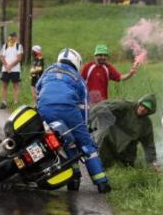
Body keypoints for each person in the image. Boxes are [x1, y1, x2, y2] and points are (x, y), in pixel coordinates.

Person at [36, 48, 111, 193]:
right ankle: (101, 183)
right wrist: (83, 126)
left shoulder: (47, 71)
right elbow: (84, 106)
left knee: (66, 144)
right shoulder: (77, 78)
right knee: (85, 145)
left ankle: (74, 178)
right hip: (68, 110)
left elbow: (38, 90)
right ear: (76, 62)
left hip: (44, 109)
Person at [89, 94, 158, 169]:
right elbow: (100, 108)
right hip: (109, 137)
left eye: (146, 109)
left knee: (128, 168)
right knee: (101, 162)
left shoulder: (146, 124)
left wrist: (152, 162)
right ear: (139, 103)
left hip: (126, 147)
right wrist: (90, 123)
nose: (142, 109)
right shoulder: (123, 106)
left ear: (149, 112)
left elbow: (149, 145)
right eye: (142, 105)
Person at [0, 32, 23, 109]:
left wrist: (10, 66)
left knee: (15, 86)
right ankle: (3, 102)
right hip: (5, 69)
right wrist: (6, 66)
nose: (12, 38)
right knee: (4, 86)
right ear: (8, 37)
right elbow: (2, 57)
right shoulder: (5, 46)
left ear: (16, 37)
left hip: (15, 69)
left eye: (13, 37)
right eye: (10, 37)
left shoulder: (18, 46)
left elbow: (19, 58)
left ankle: (15, 102)